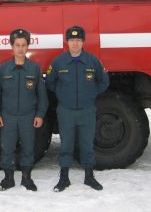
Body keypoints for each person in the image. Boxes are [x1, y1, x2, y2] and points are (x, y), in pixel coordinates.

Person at [46, 26, 109, 192]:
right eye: (72, 40)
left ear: (83, 42)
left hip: (86, 110)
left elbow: (103, 81)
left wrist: (91, 94)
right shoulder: (59, 62)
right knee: (66, 144)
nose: (75, 43)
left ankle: (89, 176)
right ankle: (64, 178)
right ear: (67, 42)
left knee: (87, 144)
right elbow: (50, 82)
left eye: (78, 40)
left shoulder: (92, 61)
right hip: (66, 110)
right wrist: (62, 94)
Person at [0, 29, 49, 191]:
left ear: (28, 46)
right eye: (17, 45)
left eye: (24, 45)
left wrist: (40, 115)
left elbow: (42, 96)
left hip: (28, 116)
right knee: (7, 148)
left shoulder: (34, 69)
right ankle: (8, 178)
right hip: (8, 116)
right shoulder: (3, 69)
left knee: (28, 147)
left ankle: (26, 178)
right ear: (12, 46)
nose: (20, 49)